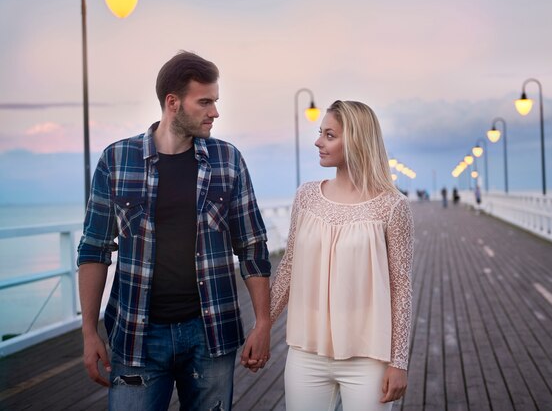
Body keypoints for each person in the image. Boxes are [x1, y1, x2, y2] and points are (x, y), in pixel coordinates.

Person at [76, 51, 271, 410]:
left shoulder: (228, 161)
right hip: (137, 333)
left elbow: (253, 247)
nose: (215, 112)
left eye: (215, 101)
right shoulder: (116, 160)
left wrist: (263, 323)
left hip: (210, 332)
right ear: (173, 103)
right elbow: (94, 249)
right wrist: (89, 332)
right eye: (205, 102)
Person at [270, 100, 414, 410]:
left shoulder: (392, 206)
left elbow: (401, 287)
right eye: (320, 133)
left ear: (358, 140)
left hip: (369, 359)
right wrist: (262, 325)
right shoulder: (307, 195)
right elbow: (289, 266)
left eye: (329, 135)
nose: (318, 142)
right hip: (307, 354)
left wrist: (398, 362)